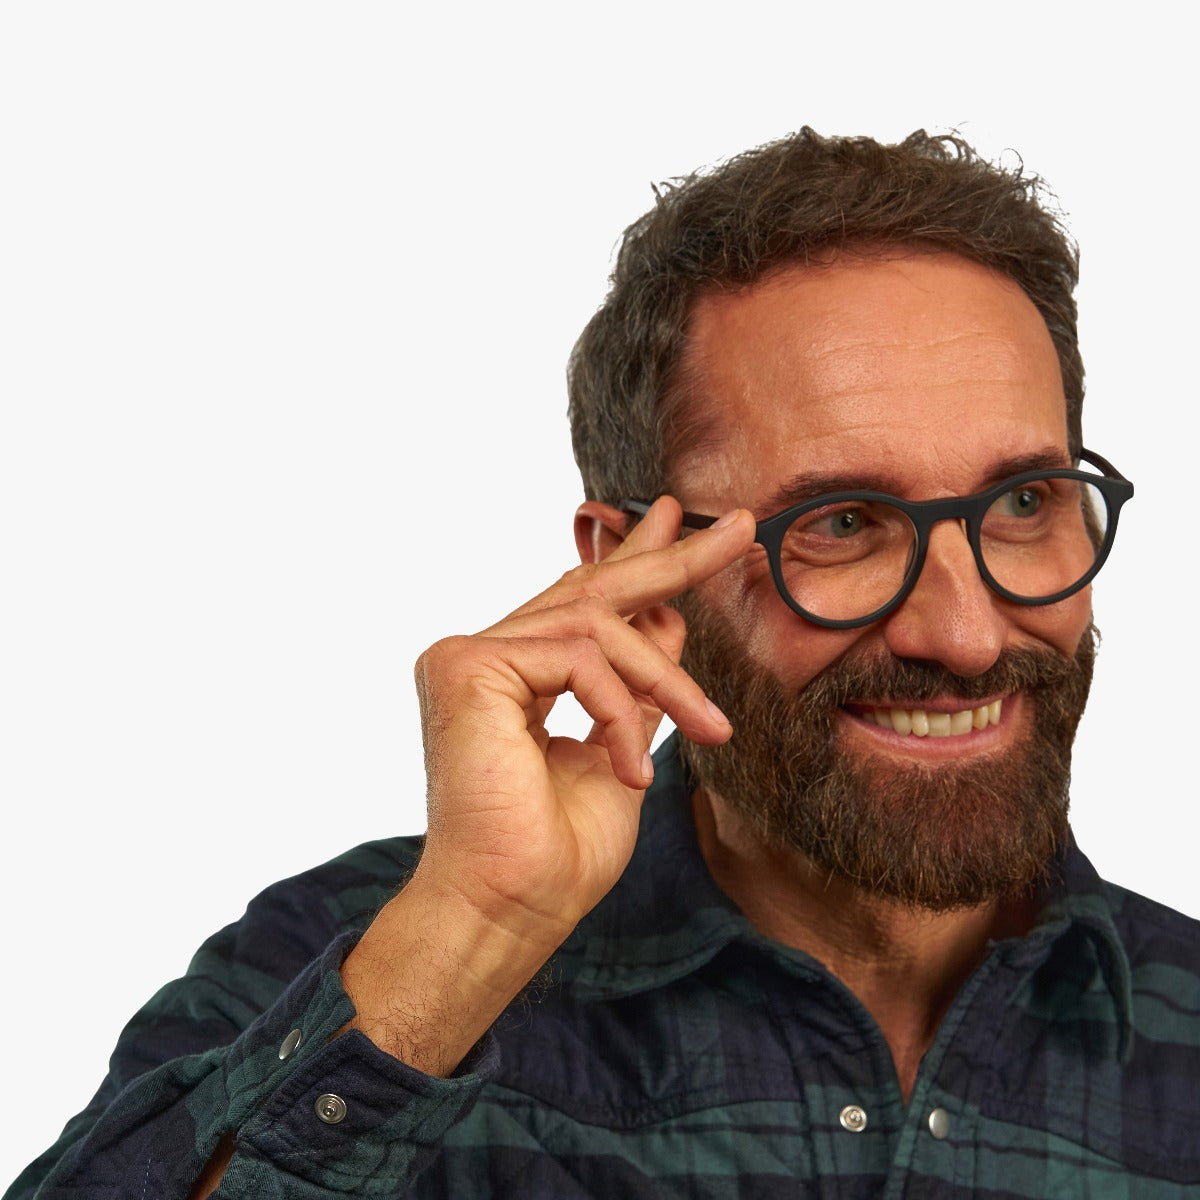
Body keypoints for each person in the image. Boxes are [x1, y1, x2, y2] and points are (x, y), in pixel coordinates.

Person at [7, 127, 1198, 1200]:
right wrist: (470, 934)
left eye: (1026, 502)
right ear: (632, 563)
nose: (969, 632)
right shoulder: (353, 963)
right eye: (842, 524)